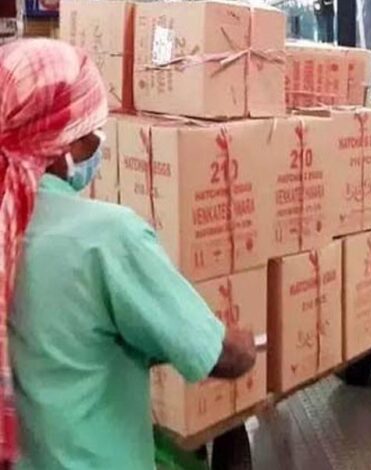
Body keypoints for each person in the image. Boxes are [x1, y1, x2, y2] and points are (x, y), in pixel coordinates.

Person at [0, 39, 257, 469]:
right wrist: (246, 345)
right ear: (64, 142)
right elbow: (220, 355)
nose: (98, 144)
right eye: (92, 130)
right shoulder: (107, 237)